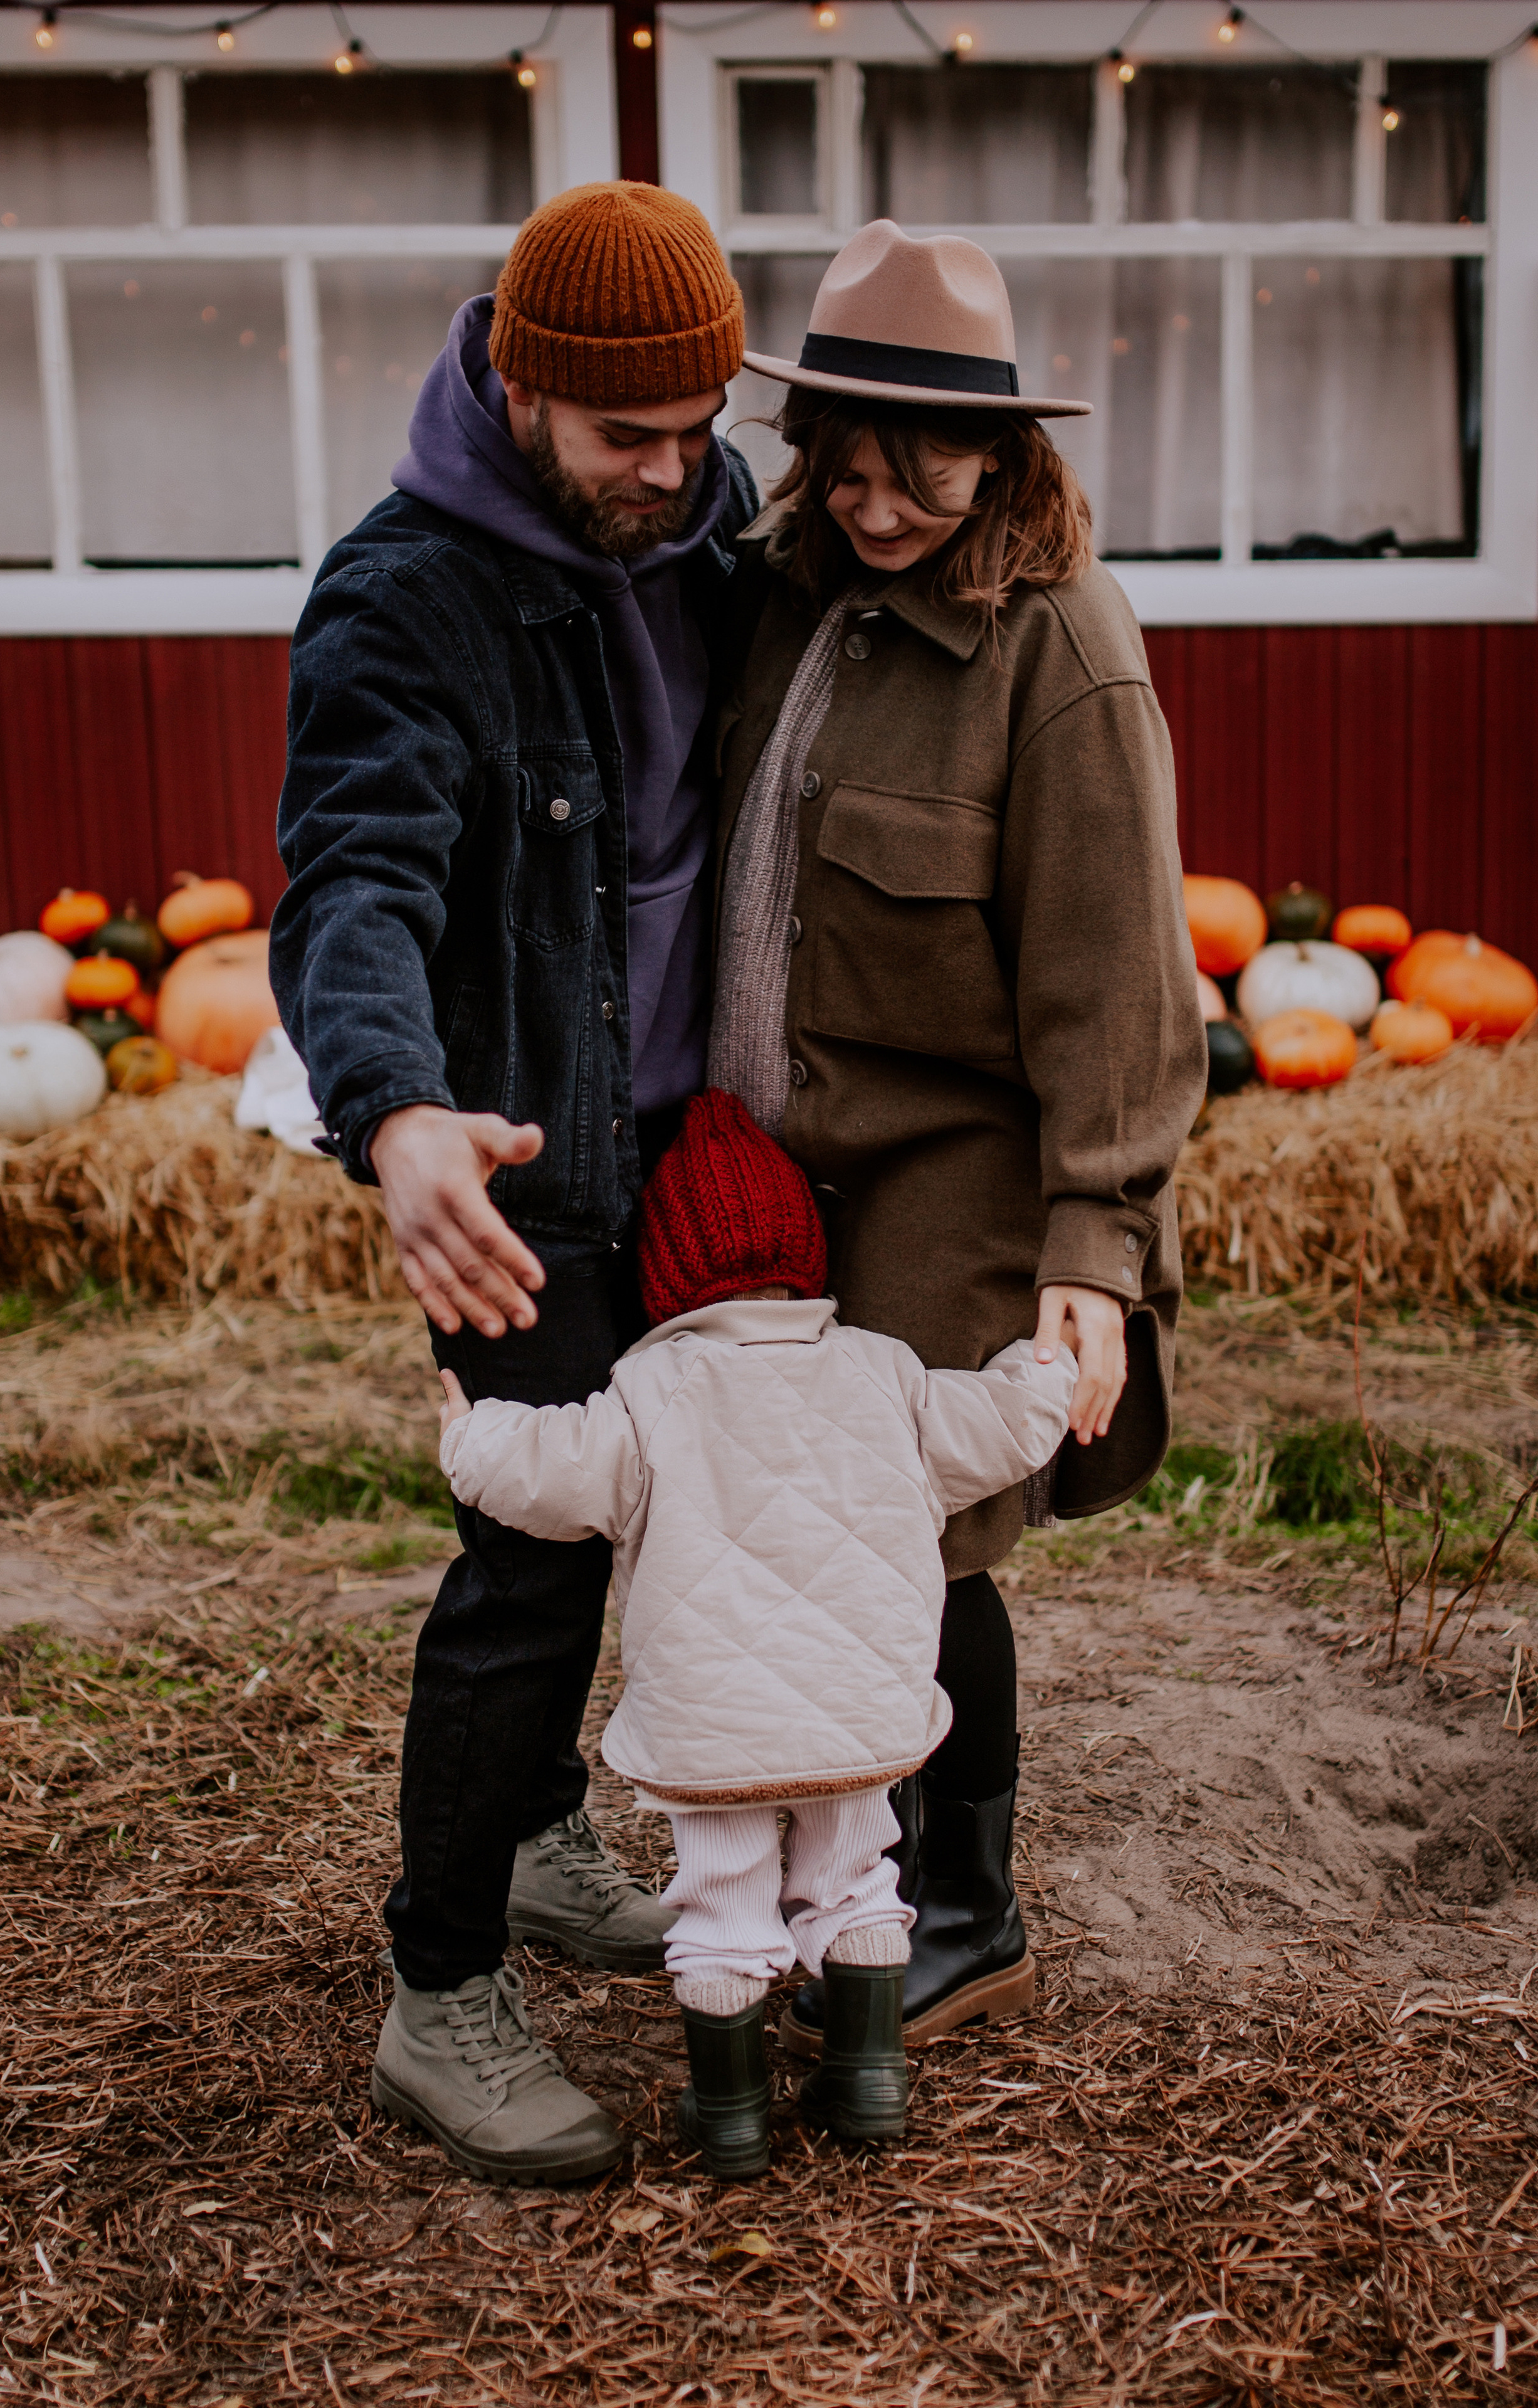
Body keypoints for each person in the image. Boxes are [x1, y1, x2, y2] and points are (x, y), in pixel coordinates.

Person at [270, 181, 759, 2185]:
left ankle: (546, 1835)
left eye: (700, 425)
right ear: (520, 381)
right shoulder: (406, 594)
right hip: (525, 1149)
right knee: (535, 1566)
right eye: (627, 435)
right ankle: (440, 1984)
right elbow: (354, 879)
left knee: (690, 1531)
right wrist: (396, 1111)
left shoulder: (717, 538)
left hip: (708, 1142)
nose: (672, 468)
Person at [706, 220, 1207, 2057]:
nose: (876, 489)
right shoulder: (784, 585)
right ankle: (816, 1866)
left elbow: (1119, 982)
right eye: (842, 446)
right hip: (774, 1156)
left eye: (921, 453)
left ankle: (964, 1905)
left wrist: (1099, 1247)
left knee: (917, 1531)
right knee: (780, 1531)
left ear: (1003, 451)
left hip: (954, 1160)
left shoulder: (1058, 648)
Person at [429, 1089, 1075, 2180]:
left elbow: (546, 1471)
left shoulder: (643, 1392)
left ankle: (728, 2117)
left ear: (666, 1280)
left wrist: (466, 1434)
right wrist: (1052, 1362)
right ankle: (869, 2083)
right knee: (859, 1878)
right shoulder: (886, 1373)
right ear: (809, 1257)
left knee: (723, 1904)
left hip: (713, 1730)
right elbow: (1007, 1423)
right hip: (858, 1712)